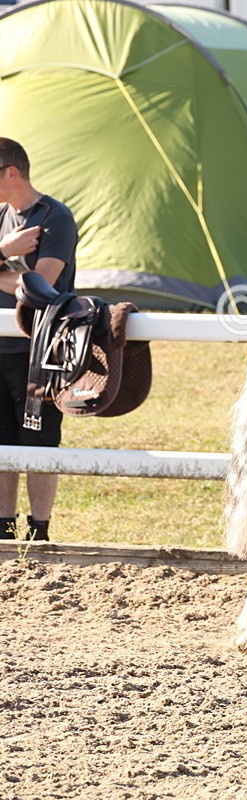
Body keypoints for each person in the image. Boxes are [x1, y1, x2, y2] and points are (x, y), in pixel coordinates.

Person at [0, 138, 78, 542]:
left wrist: (5, 274)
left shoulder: (55, 217)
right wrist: (4, 251)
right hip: (1, 348)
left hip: (39, 351)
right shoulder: (1, 219)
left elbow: (41, 285)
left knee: (40, 438)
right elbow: (22, 282)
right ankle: (3, 527)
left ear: (11, 172)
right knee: (3, 441)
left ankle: (39, 531)